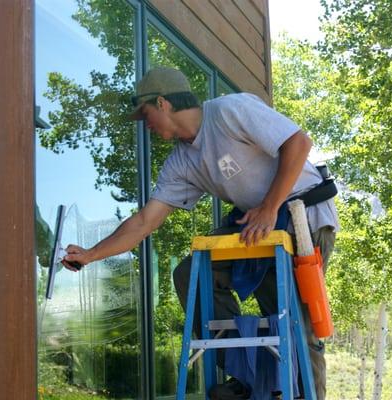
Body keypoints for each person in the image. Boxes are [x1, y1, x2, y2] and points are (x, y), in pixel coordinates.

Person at [63, 66, 339, 399]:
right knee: (191, 273)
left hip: (303, 214)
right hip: (256, 225)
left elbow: (299, 142)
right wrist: (91, 254)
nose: (146, 125)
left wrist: (269, 207)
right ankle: (246, 373)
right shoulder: (181, 163)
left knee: (296, 324)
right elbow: (144, 222)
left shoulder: (228, 111)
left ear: (163, 103)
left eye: (146, 114)